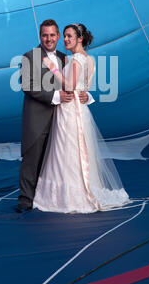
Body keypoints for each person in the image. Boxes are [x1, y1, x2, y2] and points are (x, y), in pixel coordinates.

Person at [32, 23, 131, 214]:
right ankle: (79, 189)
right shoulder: (89, 59)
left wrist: (53, 69)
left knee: (67, 152)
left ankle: (70, 197)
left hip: (70, 109)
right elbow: (84, 88)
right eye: (66, 36)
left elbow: (69, 86)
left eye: (70, 36)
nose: (66, 40)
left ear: (80, 39)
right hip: (80, 109)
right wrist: (85, 95)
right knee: (78, 151)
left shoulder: (76, 59)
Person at [17, 19, 93, 213]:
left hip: (62, 119)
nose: (49, 39)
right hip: (38, 118)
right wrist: (55, 95)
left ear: (58, 36)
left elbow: (74, 83)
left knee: (56, 162)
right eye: (45, 35)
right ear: (40, 36)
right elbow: (27, 85)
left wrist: (85, 94)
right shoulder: (30, 57)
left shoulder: (64, 57)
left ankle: (50, 197)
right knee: (32, 159)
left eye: (52, 35)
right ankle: (26, 200)